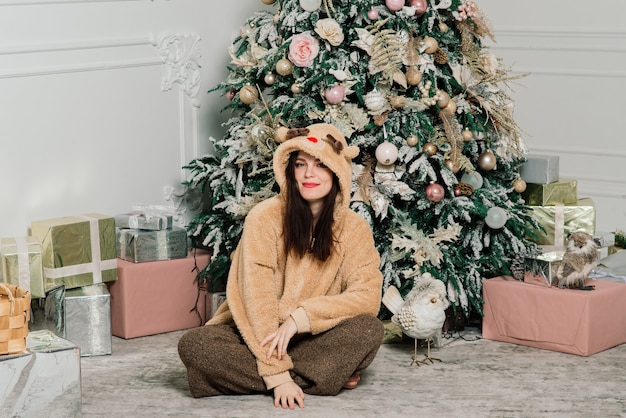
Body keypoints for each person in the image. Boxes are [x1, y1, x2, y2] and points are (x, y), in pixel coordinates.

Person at [178, 123, 384, 410]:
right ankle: (317, 376)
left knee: (368, 330)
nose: (309, 174)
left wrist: (302, 318)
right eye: (301, 164)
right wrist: (277, 376)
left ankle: (234, 378)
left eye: (320, 165)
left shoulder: (354, 229)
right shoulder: (264, 217)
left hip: (313, 335)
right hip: (255, 332)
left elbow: (367, 297)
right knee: (196, 345)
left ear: (337, 172)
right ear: (290, 170)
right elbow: (256, 298)